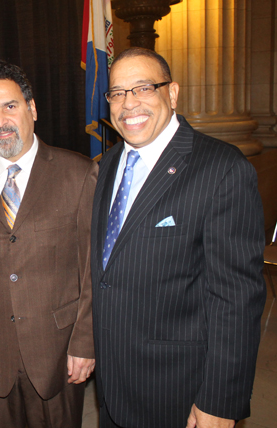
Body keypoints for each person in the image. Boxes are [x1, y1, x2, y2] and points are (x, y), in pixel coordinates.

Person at [91, 47, 267, 428]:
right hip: (114, 386)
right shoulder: (107, 165)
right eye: (117, 93)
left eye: (143, 88)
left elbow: (237, 299)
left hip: (178, 392)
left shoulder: (222, 169)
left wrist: (220, 402)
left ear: (172, 94)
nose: (128, 103)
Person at [0, 60, 98, 428]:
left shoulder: (78, 173)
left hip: (57, 351)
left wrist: (85, 343)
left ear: (32, 109)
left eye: (9, 106)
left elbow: (94, 269)